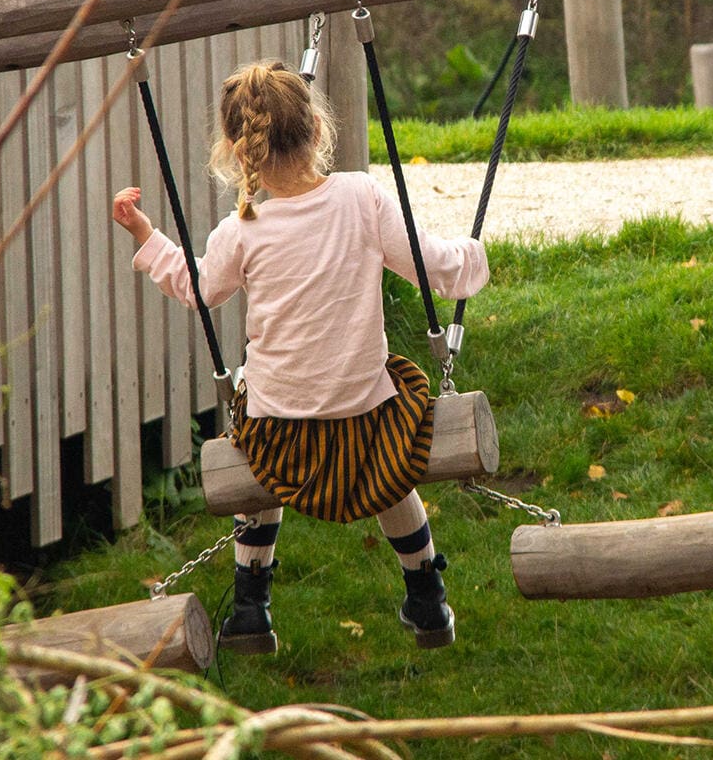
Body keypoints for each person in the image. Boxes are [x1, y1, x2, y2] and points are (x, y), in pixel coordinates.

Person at [111, 60, 488, 652]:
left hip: (277, 437)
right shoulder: (362, 197)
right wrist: (476, 255)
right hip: (369, 428)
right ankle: (426, 597)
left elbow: (198, 287)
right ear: (317, 127)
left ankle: (250, 607)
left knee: (255, 456)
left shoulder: (241, 228)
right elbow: (432, 265)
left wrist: (148, 237)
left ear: (238, 152)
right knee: (395, 460)